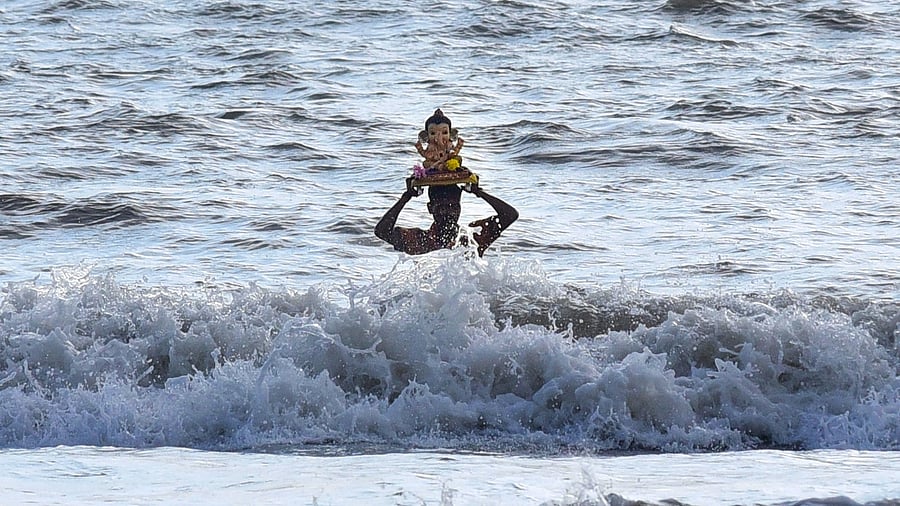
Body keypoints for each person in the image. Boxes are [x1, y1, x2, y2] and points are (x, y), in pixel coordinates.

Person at [374, 182, 518, 257]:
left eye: (454, 206)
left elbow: (510, 215)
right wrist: (405, 199)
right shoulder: (419, 239)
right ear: (430, 208)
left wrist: (479, 193)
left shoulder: (473, 236)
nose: (449, 213)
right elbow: (382, 232)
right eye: (442, 207)